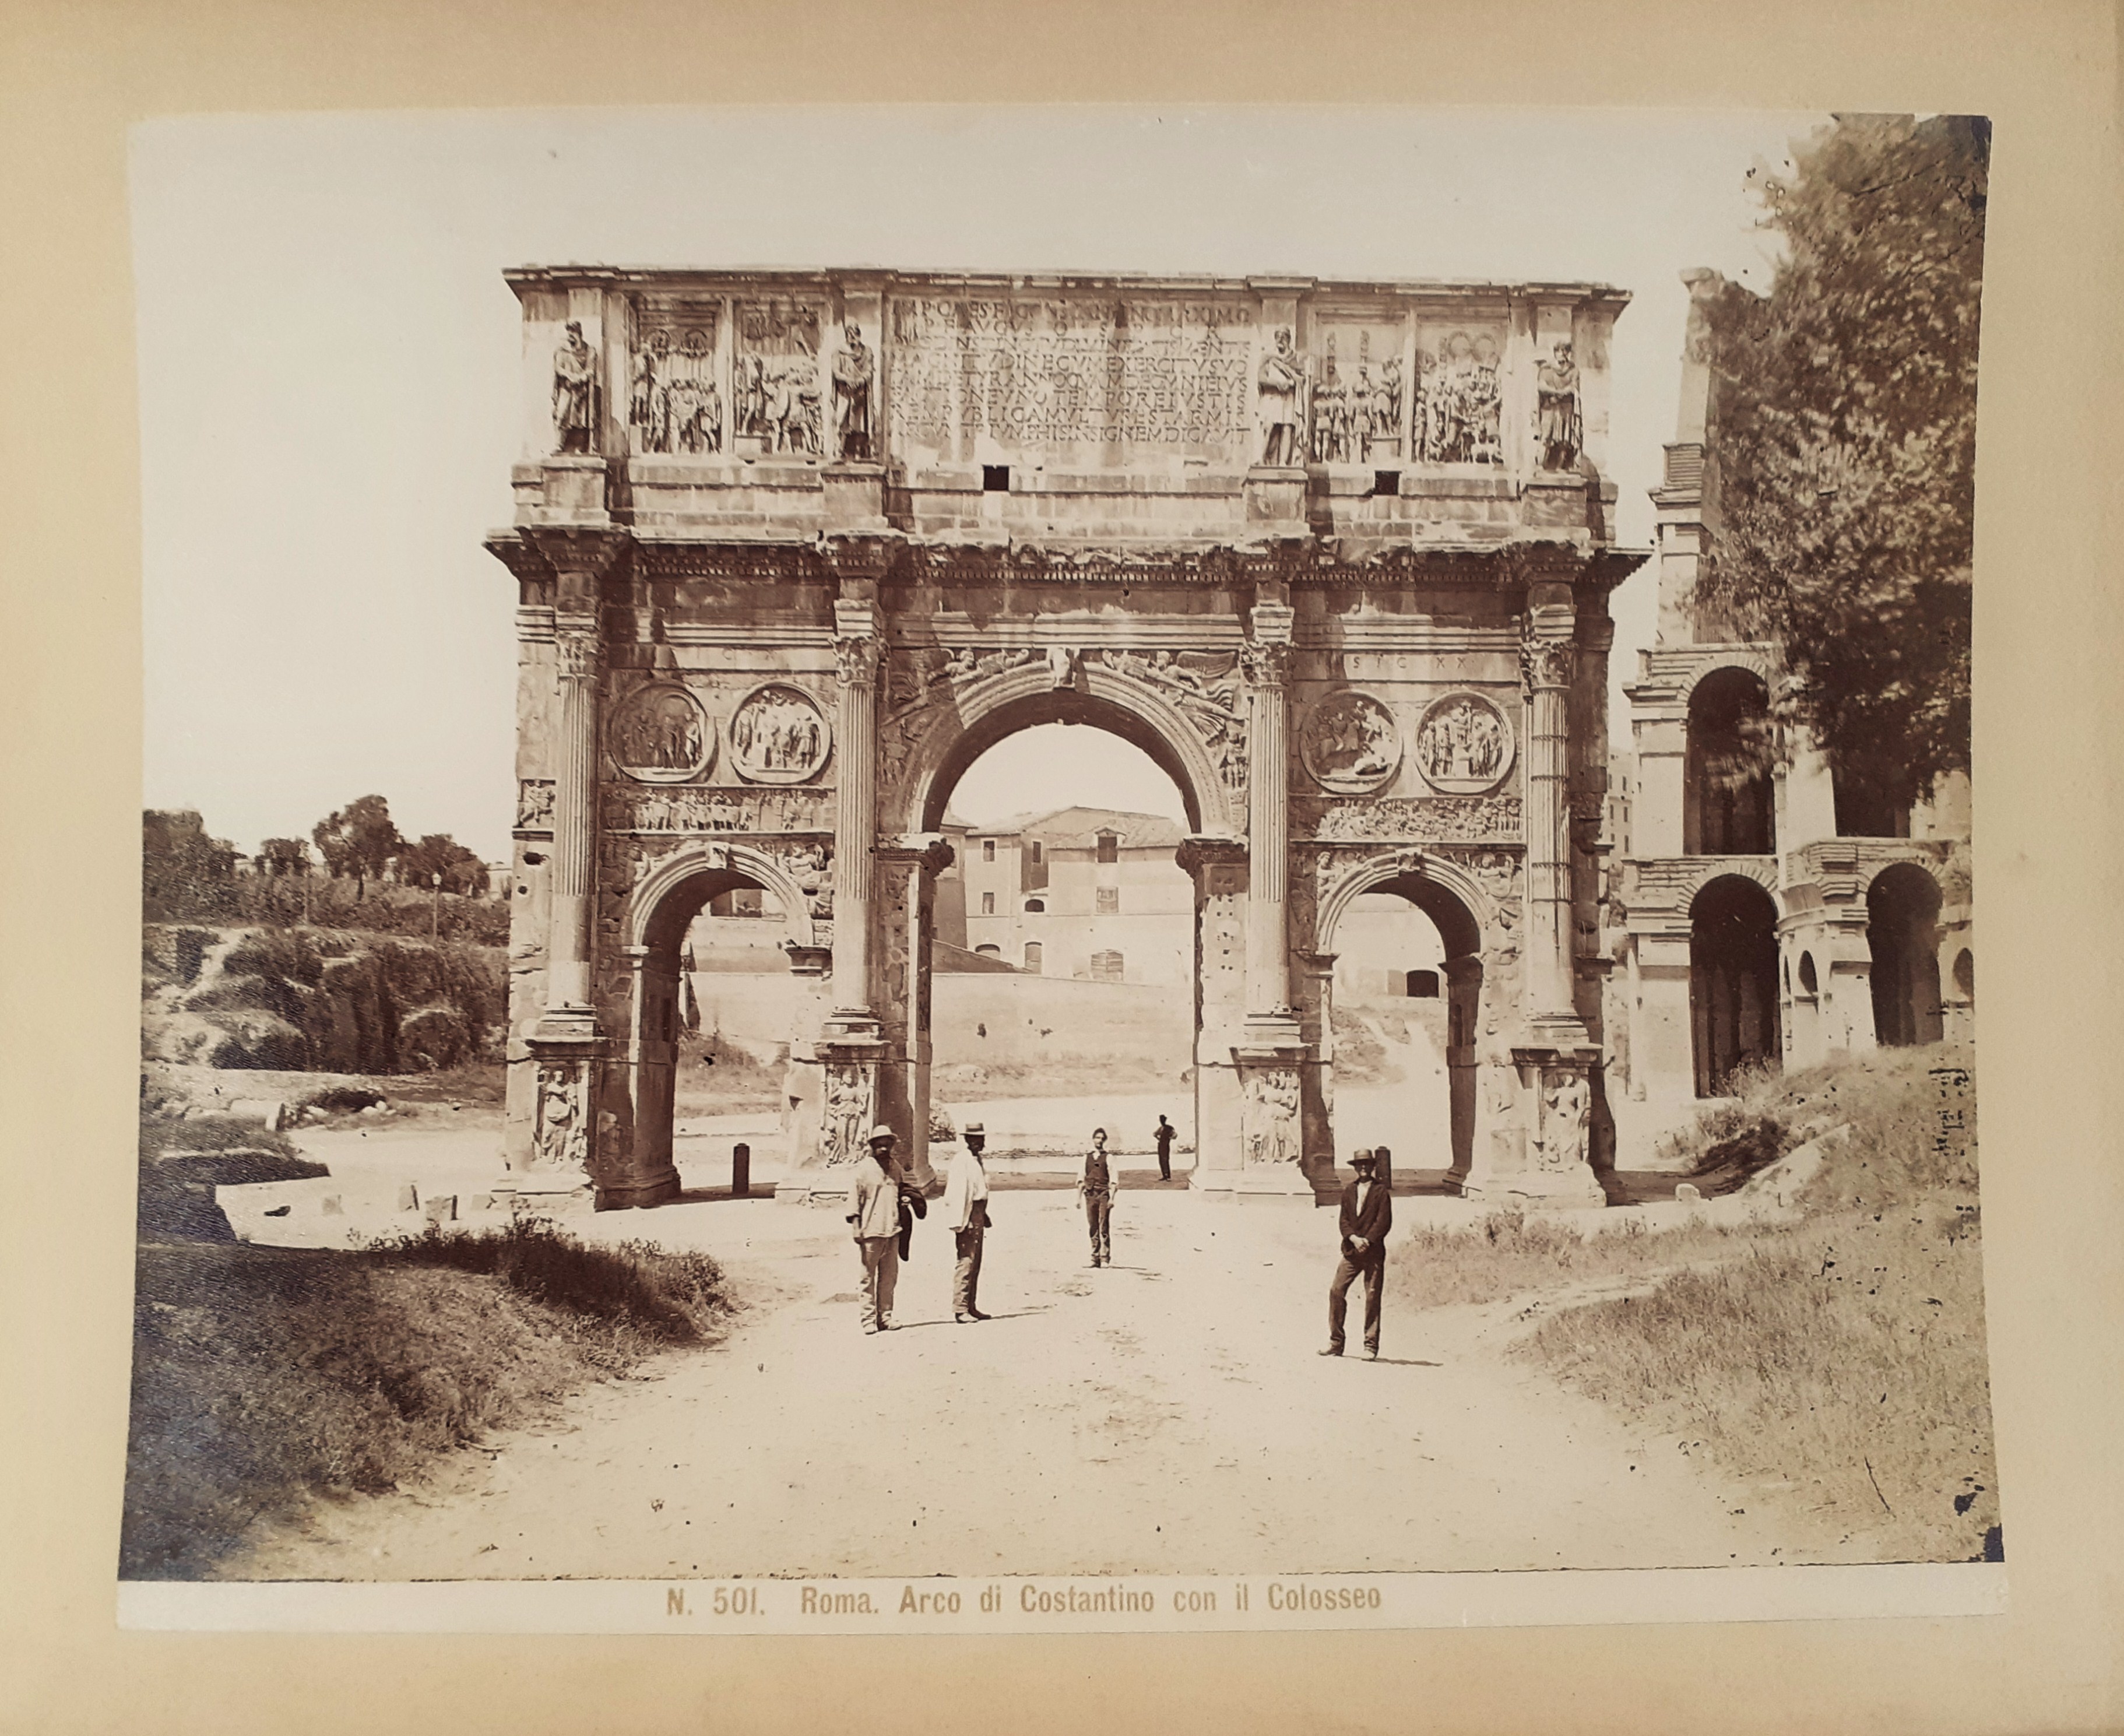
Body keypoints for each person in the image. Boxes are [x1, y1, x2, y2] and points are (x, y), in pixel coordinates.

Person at [1322, 1147, 1392, 1360]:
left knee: (1372, 1297)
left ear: (1372, 1167)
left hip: (1373, 1253)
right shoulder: (1349, 1191)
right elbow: (1344, 1220)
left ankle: (1370, 1346)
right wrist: (1353, 1238)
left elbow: (1384, 1222)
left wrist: (1368, 1241)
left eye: (1367, 1165)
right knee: (1336, 1291)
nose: (1363, 1168)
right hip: (1352, 1251)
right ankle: (1336, 1343)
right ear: (1355, 1168)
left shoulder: (1381, 1192)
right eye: (1360, 1165)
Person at [846, 1123, 906, 1334]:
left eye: (887, 1146)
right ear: (872, 1146)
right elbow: (854, 1201)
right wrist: (856, 1227)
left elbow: (903, 1192)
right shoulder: (863, 1170)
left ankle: (886, 1317)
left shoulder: (896, 1168)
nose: (883, 1149)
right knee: (867, 1277)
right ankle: (868, 1319)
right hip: (871, 1231)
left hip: (892, 1230)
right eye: (879, 1146)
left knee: (889, 1277)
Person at [943, 1121, 993, 1323]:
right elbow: (957, 1194)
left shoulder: (976, 1160)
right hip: (968, 1216)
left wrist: (984, 1215)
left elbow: (979, 1190)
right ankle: (960, 1308)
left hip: (978, 1214)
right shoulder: (961, 1161)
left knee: (976, 1263)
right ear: (966, 1140)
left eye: (980, 1139)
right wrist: (963, 1221)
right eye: (973, 1139)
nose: (978, 1143)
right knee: (966, 1261)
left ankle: (971, 1306)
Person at [1077, 1127, 1116, 1267]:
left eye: (1102, 1138)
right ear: (1093, 1139)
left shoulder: (1108, 1157)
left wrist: (1112, 1198)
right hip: (1090, 1195)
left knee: (1103, 1225)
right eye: (1097, 1138)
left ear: (1104, 1140)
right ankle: (1095, 1258)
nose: (1099, 1141)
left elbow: (1113, 1180)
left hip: (1104, 1194)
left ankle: (1105, 1258)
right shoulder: (1086, 1158)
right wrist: (1078, 1198)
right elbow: (1081, 1179)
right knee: (1093, 1226)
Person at [1152, 1114, 1176, 1183]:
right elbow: (1155, 1134)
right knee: (1161, 1160)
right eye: (1161, 1120)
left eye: (1162, 1120)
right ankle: (1164, 1175)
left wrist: (1169, 1138)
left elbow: (1175, 1135)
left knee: (1166, 1160)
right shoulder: (1161, 1128)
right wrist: (1159, 1139)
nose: (1161, 1121)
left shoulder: (1169, 1128)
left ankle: (1168, 1176)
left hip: (1166, 1146)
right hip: (1161, 1145)